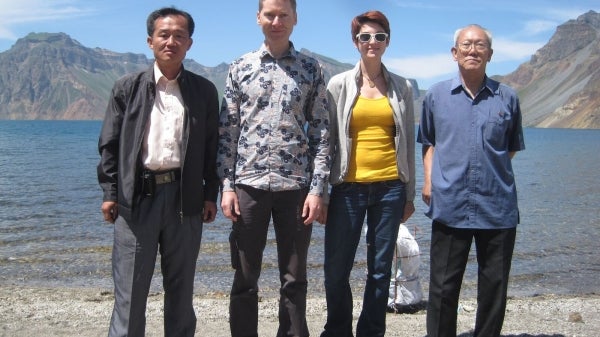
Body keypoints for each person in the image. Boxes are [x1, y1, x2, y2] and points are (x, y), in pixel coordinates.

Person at [97, 7, 220, 337]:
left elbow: (212, 148)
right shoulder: (127, 87)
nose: (171, 41)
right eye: (164, 35)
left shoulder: (204, 91)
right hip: (137, 200)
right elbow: (109, 145)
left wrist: (211, 195)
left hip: (185, 200)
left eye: (180, 35)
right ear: (150, 41)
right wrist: (111, 194)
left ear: (190, 43)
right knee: (130, 293)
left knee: (181, 294)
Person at [216, 0, 330, 336]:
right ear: (258, 18)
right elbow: (228, 131)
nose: (276, 21)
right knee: (244, 277)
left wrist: (317, 190)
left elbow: (322, 132)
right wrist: (227, 186)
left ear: (295, 18)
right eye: (270, 14)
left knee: (294, 279)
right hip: (248, 186)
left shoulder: (311, 69)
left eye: (283, 14)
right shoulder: (240, 67)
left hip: (295, 188)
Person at [418, 24, 525, 337]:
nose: (473, 50)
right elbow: (429, 142)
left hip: (497, 207)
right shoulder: (436, 96)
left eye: (480, 45)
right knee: (442, 287)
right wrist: (428, 181)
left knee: (494, 287)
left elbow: (510, 149)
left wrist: (489, 172)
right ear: (455, 53)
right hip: (450, 204)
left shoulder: (508, 98)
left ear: (490, 54)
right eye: (466, 45)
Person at [320, 10, 416, 337]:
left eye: (379, 36)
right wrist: (319, 191)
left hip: (390, 189)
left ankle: (371, 332)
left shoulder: (402, 87)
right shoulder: (338, 85)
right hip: (347, 189)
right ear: (355, 42)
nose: (372, 42)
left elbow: (408, 146)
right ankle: (337, 331)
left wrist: (409, 193)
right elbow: (326, 141)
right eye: (365, 37)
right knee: (336, 270)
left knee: (378, 271)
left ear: (387, 42)